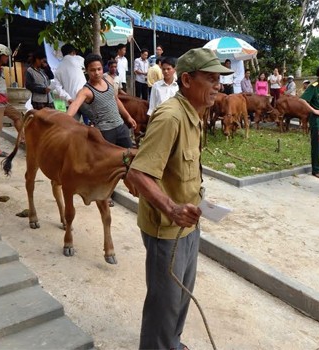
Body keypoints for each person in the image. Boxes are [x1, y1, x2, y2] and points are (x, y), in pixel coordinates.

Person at [126, 47, 233, 350]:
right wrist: (171, 208)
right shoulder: (171, 117)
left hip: (189, 223)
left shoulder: (195, 116)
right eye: (211, 78)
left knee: (181, 295)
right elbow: (138, 174)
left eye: (219, 79)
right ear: (187, 80)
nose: (218, 86)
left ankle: (173, 342)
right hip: (167, 227)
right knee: (164, 302)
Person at [66, 54, 136, 148]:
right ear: (86, 71)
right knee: (107, 160)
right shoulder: (86, 91)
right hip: (105, 132)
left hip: (120, 127)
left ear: (103, 68)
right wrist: (64, 119)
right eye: (92, 70)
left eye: (99, 69)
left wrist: (128, 117)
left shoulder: (108, 81)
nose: (97, 73)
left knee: (129, 156)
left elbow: (116, 100)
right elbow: (75, 105)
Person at [53, 44, 89, 124]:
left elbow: (58, 88)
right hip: (84, 98)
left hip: (71, 102)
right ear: (73, 52)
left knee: (71, 126)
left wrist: (68, 98)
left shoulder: (58, 68)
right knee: (92, 123)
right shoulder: (78, 59)